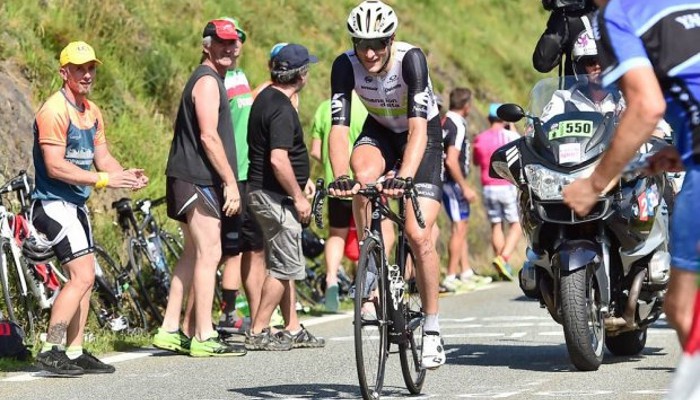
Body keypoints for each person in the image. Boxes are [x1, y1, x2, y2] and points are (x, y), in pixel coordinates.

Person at [561, 0, 699, 381]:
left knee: (684, 309)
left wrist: (594, 184)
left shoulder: (617, 15)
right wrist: (681, 152)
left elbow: (646, 106)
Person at [327, 0, 446, 370]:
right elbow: (339, 129)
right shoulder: (344, 66)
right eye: (362, 43)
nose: (371, 52)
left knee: (418, 234)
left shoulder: (411, 60)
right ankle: (371, 261)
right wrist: (339, 177)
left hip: (420, 137)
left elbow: (418, 129)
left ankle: (431, 327)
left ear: (391, 39)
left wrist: (405, 176)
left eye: (379, 43)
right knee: (361, 177)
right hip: (379, 129)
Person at [32, 41, 148, 375]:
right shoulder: (54, 110)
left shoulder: (92, 111)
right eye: (79, 68)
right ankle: (51, 347)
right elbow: (54, 166)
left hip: (76, 206)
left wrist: (123, 174)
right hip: (53, 204)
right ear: (63, 72)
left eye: (91, 68)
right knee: (82, 275)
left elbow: (103, 157)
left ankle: (75, 349)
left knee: (84, 279)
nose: (86, 74)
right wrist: (102, 180)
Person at [153, 18, 244, 357]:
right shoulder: (207, 82)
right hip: (197, 177)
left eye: (234, 42)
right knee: (210, 253)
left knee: (192, 254)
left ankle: (169, 329)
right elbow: (208, 135)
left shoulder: (210, 78)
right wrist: (231, 183)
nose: (230, 48)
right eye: (222, 42)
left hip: (187, 176)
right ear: (207, 45)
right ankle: (204, 335)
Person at [244, 43, 325, 351]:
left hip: (268, 192)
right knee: (285, 264)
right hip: (273, 196)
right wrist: (298, 195)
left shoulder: (267, 96)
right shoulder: (280, 108)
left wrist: (300, 183)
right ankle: (258, 329)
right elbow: (278, 159)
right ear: (301, 75)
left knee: (284, 260)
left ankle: (291, 327)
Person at [310, 91, 368, 312]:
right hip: (362, 181)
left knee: (337, 235)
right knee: (366, 234)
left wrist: (330, 163)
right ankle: (365, 291)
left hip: (335, 183)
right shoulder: (364, 108)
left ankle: (331, 279)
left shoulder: (325, 108)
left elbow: (315, 151)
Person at [440, 88, 489, 292]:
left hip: (450, 181)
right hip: (451, 182)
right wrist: (465, 186)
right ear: (467, 105)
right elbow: (451, 160)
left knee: (462, 225)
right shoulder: (456, 125)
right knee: (458, 227)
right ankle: (451, 275)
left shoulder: (446, 121)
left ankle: (465, 271)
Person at [472, 103, 522, 281]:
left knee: (496, 224)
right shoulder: (509, 135)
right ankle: (503, 258)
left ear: (488, 119)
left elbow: (477, 162)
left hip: (487, 187)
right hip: (506, 185)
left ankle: (502, 265)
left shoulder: (480, 138)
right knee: (516, 224)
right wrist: (513, 127)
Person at [540, 22, 625, 123]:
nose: (598, 66)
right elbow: (541, 129)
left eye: (603, 60)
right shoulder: (563, 100)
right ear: (581, 67)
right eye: (591, 62)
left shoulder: (626, 101)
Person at [532, 0, 597, 75]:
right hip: (578, 84)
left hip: (610, 83)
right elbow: (543, 62)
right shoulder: (567, 20)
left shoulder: (608, 13)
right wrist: (559, 16)